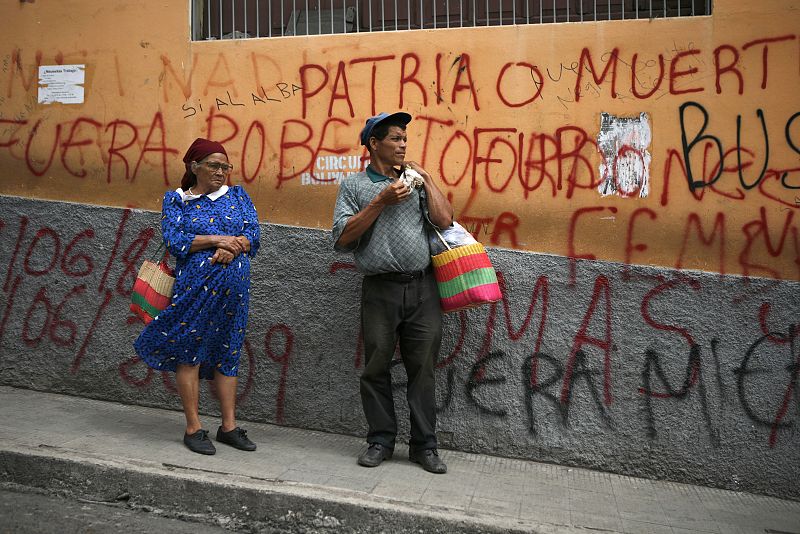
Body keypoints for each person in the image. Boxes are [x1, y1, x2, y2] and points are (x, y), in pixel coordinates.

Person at [332, 112, 454, 474]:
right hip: (380, 290)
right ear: (374, 144)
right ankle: (380, 440)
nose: (403, 145)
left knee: (423, 369)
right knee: (376, 367)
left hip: (423, 287)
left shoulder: (415, 181)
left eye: (405, 139)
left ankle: (424, 446)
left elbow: (445, 220)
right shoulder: (353, 186)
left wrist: (428, 181)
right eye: (396, 138)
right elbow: (341, 238)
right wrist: (381, 201)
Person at [134, 138, 261, 456]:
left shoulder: (238, 195)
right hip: (194, 291)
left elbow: (254, 235)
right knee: (189, 351)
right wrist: (221, 239)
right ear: (194, 167)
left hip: (234, 293)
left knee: (228, 352)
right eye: (214, 166)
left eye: (225, 166)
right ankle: (193, 427)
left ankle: (229, 426)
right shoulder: (177, 200)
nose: (221, 172)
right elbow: (175, 239)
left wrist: (231, 248)